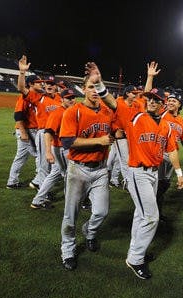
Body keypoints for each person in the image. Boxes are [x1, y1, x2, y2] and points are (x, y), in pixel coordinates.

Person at [59, 61, 118, 270]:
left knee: (101, 212)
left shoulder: (107, 111)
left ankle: (90, 232)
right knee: (70, 214)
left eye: (97, 86)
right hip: (78, 169)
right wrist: (98, 141)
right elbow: (67, 142)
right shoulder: (73, 111)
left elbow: (118, 126)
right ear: (83, 89)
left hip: (101, 169)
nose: (94, 91)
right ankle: (68, 249)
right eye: (90, 87)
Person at [124, 87, 183, 280]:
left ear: (162, 104)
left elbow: (172, 149)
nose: (151, 101)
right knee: (151, 217)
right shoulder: (137, 117)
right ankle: (135, 259)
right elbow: (113, 103)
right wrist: (100, 86)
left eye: (155, 100)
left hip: (153, 174)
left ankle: (136, 252)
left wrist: (179, 172)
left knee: (140, 215)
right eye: (149, 98)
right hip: (138, 172)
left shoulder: (166, 125)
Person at [17, 56, 62, 190]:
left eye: (52, 84)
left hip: (58, 135)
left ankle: (38, 183)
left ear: (56, 87)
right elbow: (21, 88)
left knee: (57, 164)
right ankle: (42, 196)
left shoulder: (60, 99)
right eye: (47, 83)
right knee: (44, 165)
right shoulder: (38, 97)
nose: (49, 85)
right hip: (44, 134)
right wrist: (22, 72)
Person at [30, 88, 76, 209]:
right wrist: (48, 152)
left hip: (64, 149)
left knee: (55, 174)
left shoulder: (70, 111)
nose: (71, 100)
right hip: (60, 149)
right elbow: (48, 133)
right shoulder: (58, 113)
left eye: (73, 98)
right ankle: (70, 203)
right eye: (68, 98)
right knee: (68, 175)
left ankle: (37, 200)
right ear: (61, 99)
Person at [157, 91, 183, 220]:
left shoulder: (182, 121)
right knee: (157, 184)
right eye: (169, 100)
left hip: (172, 156)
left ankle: (157, 211)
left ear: (179, 104)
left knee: (165, 183)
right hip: (159, 154)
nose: (170, 102)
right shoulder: (161, 114)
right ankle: (152, 212)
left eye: (174, 101)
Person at [6, 75, 43, 189]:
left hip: (29, 130)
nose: (41, 84)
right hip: (27, 130)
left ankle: (12, 182)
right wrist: (22, 132)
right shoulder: (24, 97)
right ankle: (38, 181)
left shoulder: (36, 96)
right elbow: (18, 115)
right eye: (38, 82)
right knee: (39, 155)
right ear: (31, 84)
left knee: (21, 157)